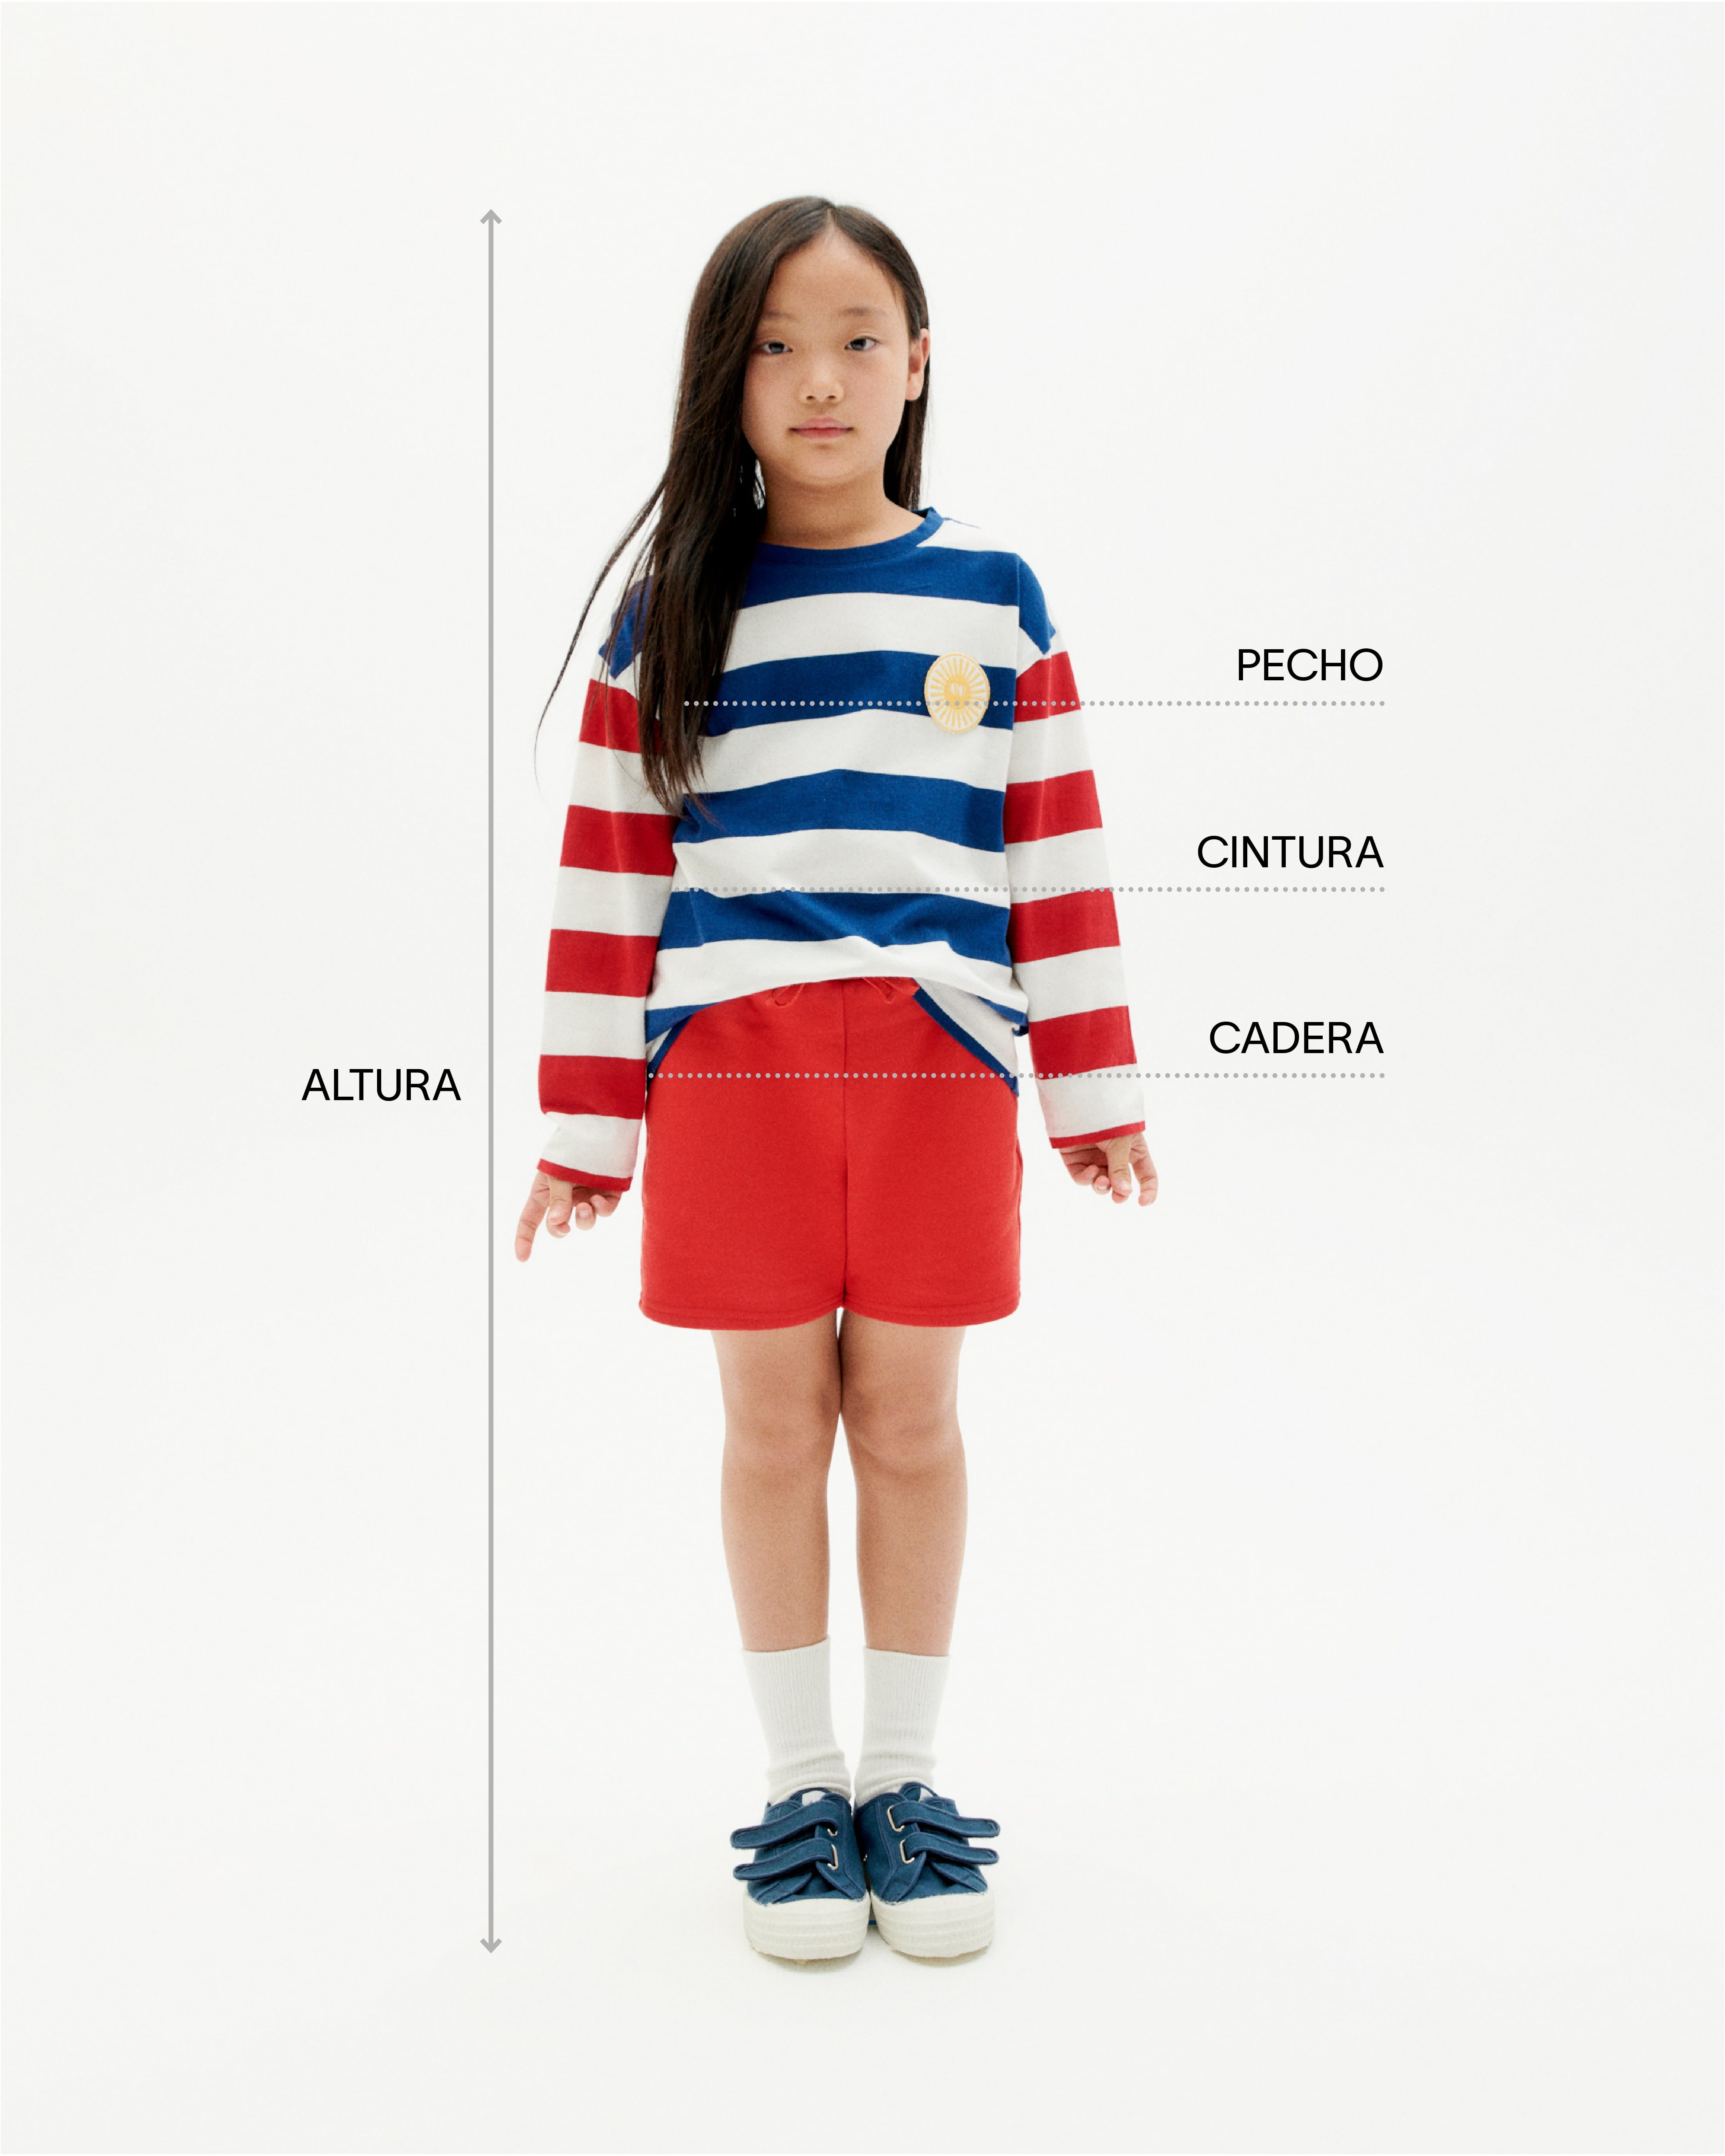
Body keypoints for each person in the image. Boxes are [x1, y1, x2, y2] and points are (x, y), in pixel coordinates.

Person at [516, 196, 1157, 1964]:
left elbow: (1055, 852)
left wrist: (1093, 1089)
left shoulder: (994, 595)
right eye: (777, 348)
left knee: (914, 1421)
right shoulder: (670, 612)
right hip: (733, 1072)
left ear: (919, 363)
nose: (820, 380)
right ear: (723, 383)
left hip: (940, 1067)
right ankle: (804, 1789)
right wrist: (586, 1130)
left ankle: (907, 1785)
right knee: (773, 1425)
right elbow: (610, 881)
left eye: (859, 340)